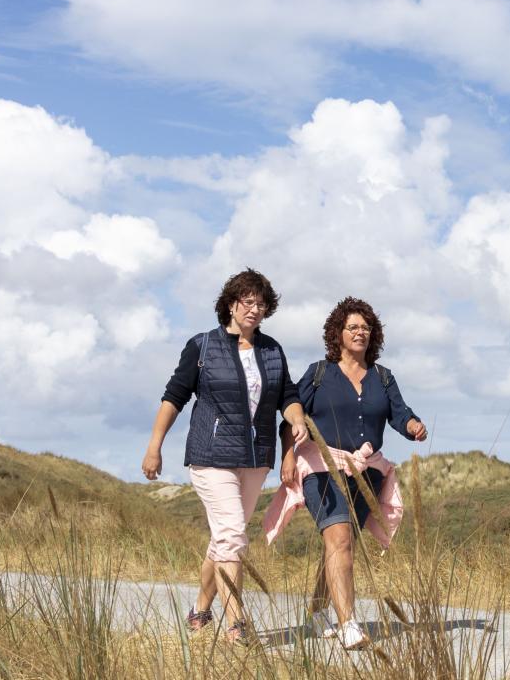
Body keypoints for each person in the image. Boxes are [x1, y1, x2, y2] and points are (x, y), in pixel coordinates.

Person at [141, 268, 298, 644]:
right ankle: (237, 623)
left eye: (261, 304)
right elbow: (174, 396)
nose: (255, 310)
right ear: (231, 304)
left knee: (226, 539)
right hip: (210, 455)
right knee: (232, 535)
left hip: (256, 457)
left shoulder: (272, 350)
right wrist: (154, 446)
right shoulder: (203, 346)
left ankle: (199, 609)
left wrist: (296, 420)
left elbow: (287, 397)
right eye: (248, 302)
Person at [265, 297, 426, 650]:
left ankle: (319, 609)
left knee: (343, 544)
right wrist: (288, 456)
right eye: (353, 327)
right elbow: (291, 419)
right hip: (322, 467)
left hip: (367, 472)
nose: (360, 333)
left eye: (366, 328)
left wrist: (412, 424)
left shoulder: (383, 378)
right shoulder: (319, 374)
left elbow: (399, 414)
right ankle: (348, 623)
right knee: (338, 539)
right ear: (337, 333)